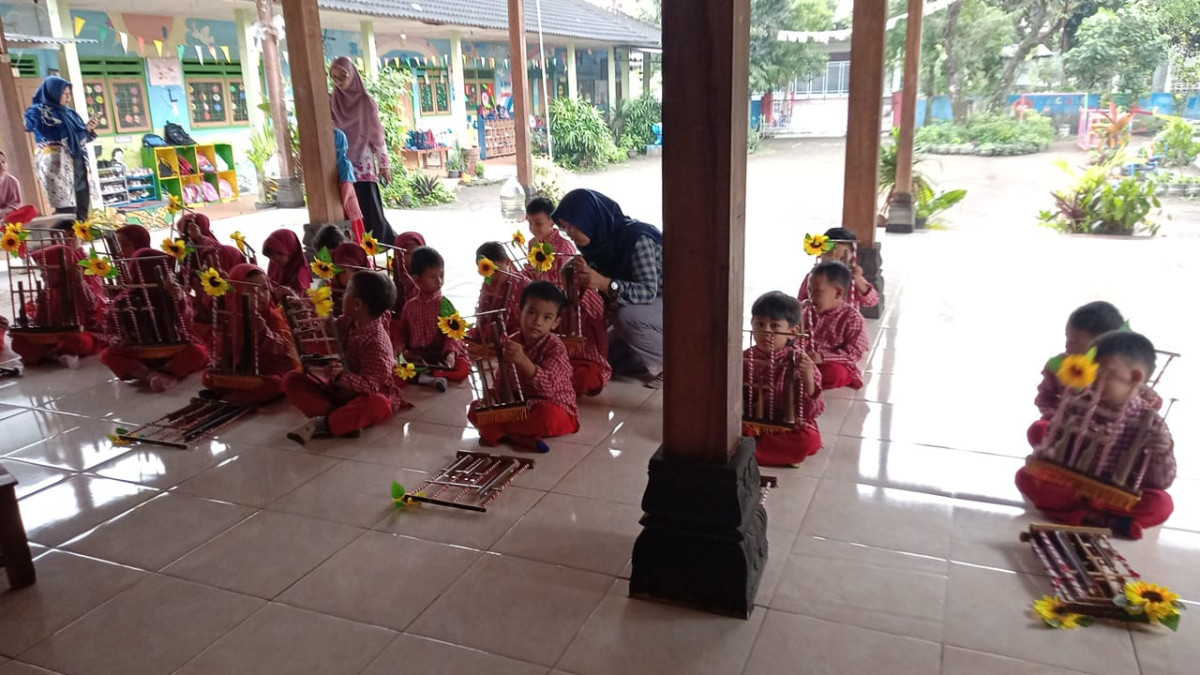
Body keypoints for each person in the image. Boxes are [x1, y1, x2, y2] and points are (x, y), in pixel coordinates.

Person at [1015, 330, 1175, 539]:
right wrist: (1048, 453)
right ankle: (1103, 519)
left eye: (1101, 373)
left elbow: (1161, 482)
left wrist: (1162, 452)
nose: (1090, 381)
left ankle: (1085, 514)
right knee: (1025, 476)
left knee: (1161, 503)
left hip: (1116, 496)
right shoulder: (1080, 403)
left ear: (1135, 378)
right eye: (1091, 372)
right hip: (1073, 487)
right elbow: (1055, 446)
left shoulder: (1151, 422)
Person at [552, 189, 664, 388]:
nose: (570, 235)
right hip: (650, 311)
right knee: (604, 357)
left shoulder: (637, 239)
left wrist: (604, 283)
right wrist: (570, 270)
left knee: (625, 317)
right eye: (565, 229)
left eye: (573, 227)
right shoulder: (598, 243)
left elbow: (648, 291)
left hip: (676, 306)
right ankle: (647, 355)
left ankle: (673, 365)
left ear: (590, 219)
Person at [284, 271, 410, 444]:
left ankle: (329, 423)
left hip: (365, 395)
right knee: (292, 380)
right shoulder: (347, 321)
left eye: (346, 293)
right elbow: (322, 327)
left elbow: (371, 387)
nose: (342, 296)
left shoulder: (378, 343)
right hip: (338, 391)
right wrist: (297, 305)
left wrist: (342, 376)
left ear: (357, 304)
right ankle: (343, 420)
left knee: (379, 403)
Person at [468, 281, 580, 452]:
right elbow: (501, 381)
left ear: (555, 323)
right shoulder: (512, 341)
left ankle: (504, 432)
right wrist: (493, 398)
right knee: (477, 408)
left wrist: (522, 360)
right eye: (532, 313)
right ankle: (521, 437)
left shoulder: (555, 347)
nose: (537, 322)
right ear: (519, 312)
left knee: (547, 416)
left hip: (553, 407)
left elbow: (547, 389)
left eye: (546, 318)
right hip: (519, 406)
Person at [1028, 301, 1145, 448]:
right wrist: (1058, 418)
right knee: (1038, 430)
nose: (1067, 345)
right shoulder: (1059, 366)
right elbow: (1044, 397)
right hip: (1063, 434)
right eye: (1067, 337)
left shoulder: (1119, 374)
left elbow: (1143, 406)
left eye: (1076, 341)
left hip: (1105, 441)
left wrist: (1150, 398)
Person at [100, 249, 208, 391]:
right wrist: (116, 339)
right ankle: (148, 375)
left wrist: (179, 300)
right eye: (165, 270)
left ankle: (166, 372)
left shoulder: (172, 294)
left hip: (173, 351)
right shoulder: (123, 299)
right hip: (139, 353)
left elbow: (187, 322)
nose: (168, 274)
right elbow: (111, 329)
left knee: (198, 352)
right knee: (108, 355)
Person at [742, 292, 824, 466]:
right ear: (752, 324)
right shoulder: (744, 357)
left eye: (775, 326)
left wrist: (808, 380)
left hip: (788, 427)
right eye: (760, 324)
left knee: (807, 440)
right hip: (751, 422)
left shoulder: (801, 361)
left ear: (792, 332)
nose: (766, 331)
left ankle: (747, 453)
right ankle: (753, 450)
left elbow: (813, 412)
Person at [201, 264, 300, 404]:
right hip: (241, 372)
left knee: (277, 383)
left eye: (265, 289)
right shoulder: (231, 315)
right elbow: (219, 349)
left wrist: (263, 332)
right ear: (237, 291)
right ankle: (236, 394)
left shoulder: (272, 317)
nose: (260, 295)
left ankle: (232, 397)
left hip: (268, 371)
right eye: (252, 289)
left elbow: (288, 356)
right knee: (207, 376)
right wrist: (219, 363)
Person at [329, 56, 396, 243]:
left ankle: (380, 243)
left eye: (343, 76)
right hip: (340, 162)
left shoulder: (365, 102)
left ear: (353, 75)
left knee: (369, 206)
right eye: (334, 78)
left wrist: (384, 164)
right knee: (348, 206)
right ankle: (355, 244)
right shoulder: (332, 101)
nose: (339, 82)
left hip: (363, 163)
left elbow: (377, 137)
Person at [10, 244, 106, 368]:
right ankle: (56, 355)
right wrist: (29, 323)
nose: (42, 275)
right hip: (50, 336)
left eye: (45, 271)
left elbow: (91, 307)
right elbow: (40, 321)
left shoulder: (77, 286)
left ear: (61, 269)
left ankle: (50, 355)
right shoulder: (47, 292)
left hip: (76, 334)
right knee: (18, 342)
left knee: (77, 340)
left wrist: (79, 283)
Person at [393, 246, 469, 387]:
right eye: (433, 277)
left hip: (441, 356)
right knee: (396, 369)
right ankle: (432, 377)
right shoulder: (409, 306)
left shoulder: (445, 304)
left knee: (463, 367)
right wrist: (399, 346)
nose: (439, 281)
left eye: (441, 275)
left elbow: (453, 335)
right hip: (418, 356)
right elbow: (402, 332)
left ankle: (429, 376)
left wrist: (450, 353)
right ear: (417, 280)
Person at [24, 76, 98, 221]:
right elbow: (30, 126)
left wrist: (88, 129)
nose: (68, 97)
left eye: (69, 94)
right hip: (56, 166)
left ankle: (80, 236)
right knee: (66, 208)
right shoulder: (39, 112)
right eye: (65, 93)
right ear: (54, 92)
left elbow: (81, 139)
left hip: (77, 162)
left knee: (82, 204)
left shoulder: (71, 113)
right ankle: (66, 238)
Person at [806, 261, 869, 390]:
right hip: (807, 361)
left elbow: (854, 353)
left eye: (816, 291)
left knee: (833, 373)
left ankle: (807, 382)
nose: (810, 297)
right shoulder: (807, 311)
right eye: (809, 290)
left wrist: (822, 357)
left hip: (832, 363)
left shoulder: (853, 319)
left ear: (838, 293)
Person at [798, 227, 879, 309]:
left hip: (847, 321)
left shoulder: (852, 279)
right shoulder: (812, 277)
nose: (835, 263)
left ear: (852, 255)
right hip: (818, 320)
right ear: (821, 253)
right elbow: (800, 300)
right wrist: (805, 305)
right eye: (829, 256)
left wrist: (859, 279)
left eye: (842, 258)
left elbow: (872, 301)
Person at [473, 241, 529, 340]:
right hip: (491, 333)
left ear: (507, 261)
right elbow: (483, 312)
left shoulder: (525, 285)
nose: (491, 277)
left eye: (495, 271)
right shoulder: (488, 282)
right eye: (486, 271)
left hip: (517, 336)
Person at [525, 196, 576, 280]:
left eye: (538, 223)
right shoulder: (533, 243)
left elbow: (564, 284)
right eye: (530, 223)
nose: (533, 228)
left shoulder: (564, 248)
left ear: (552, 221)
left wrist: (537, 276)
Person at [334, 128, 366, 243]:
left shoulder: (344, 164)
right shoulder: (336, 163)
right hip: (347, 208)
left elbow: (346, 189)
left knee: (354, 238)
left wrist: (341, 207)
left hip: (350, 210)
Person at [263, 229, 312, 295]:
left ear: (290, 250)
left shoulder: (300, 272)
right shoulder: (275, 264)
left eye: (280, 254)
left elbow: (300, 297)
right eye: (270, 257)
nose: (273, 260)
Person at [0, 149, 23, 217]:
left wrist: (3, 212)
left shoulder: (13, 181)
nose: (1, 165)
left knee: (31, 210)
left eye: (3, 162)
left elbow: (16, 204)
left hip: (7, 214)